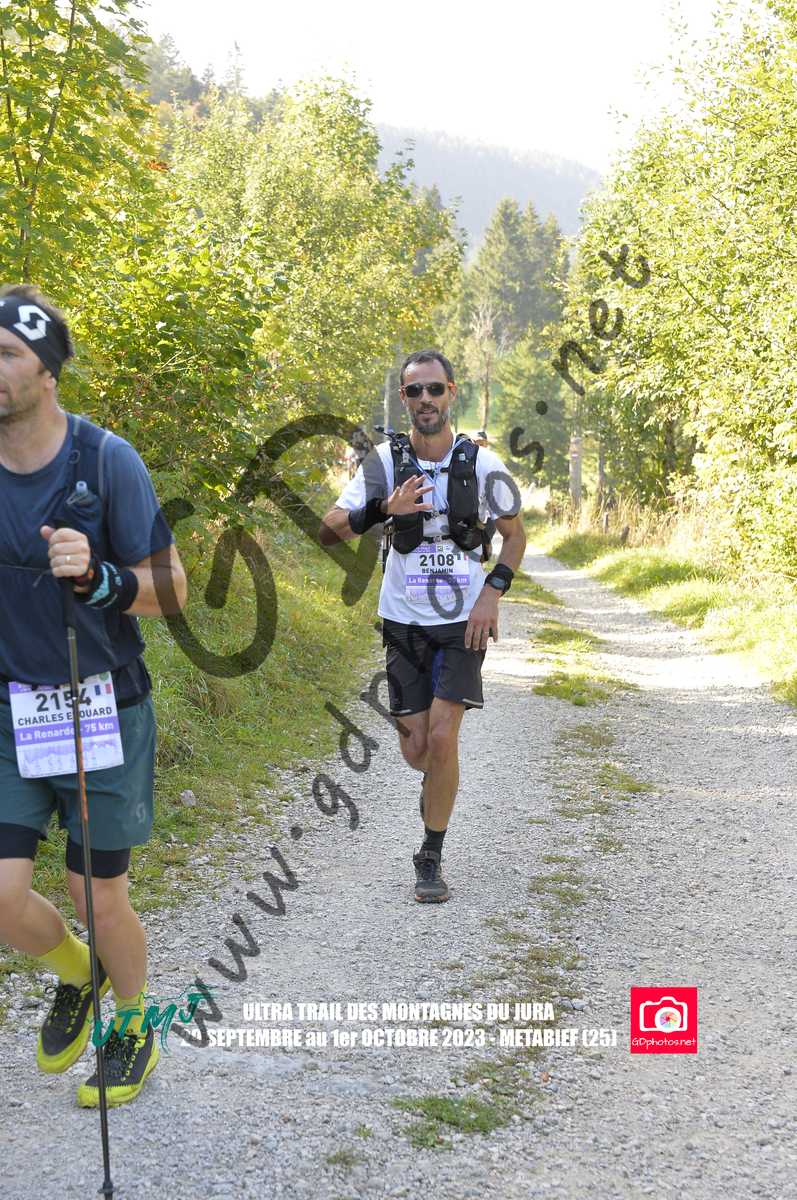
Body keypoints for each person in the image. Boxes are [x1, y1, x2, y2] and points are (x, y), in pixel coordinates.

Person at [0, 284, 188, 1106]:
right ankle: (80, 972)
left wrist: (103, 578)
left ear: (47, 371)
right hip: (10, 710)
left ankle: (133, 1025)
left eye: (6, 353)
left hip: (99, 704)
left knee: (94, 892)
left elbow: (173, 588)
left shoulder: (106, 461)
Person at [320, 349, 526, 902]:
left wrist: (491, 594)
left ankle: (430, 853)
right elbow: (328, 529)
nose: (426, 400)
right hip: (403, 620)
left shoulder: (483, 465)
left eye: (435, 389)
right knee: (417, 749)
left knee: (441, 736)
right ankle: (435, 782)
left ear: (451, 393)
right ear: (404, 399)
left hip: (463, 622)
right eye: (415, 391)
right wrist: (382, 510)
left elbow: (515, 536)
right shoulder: (383, 463)